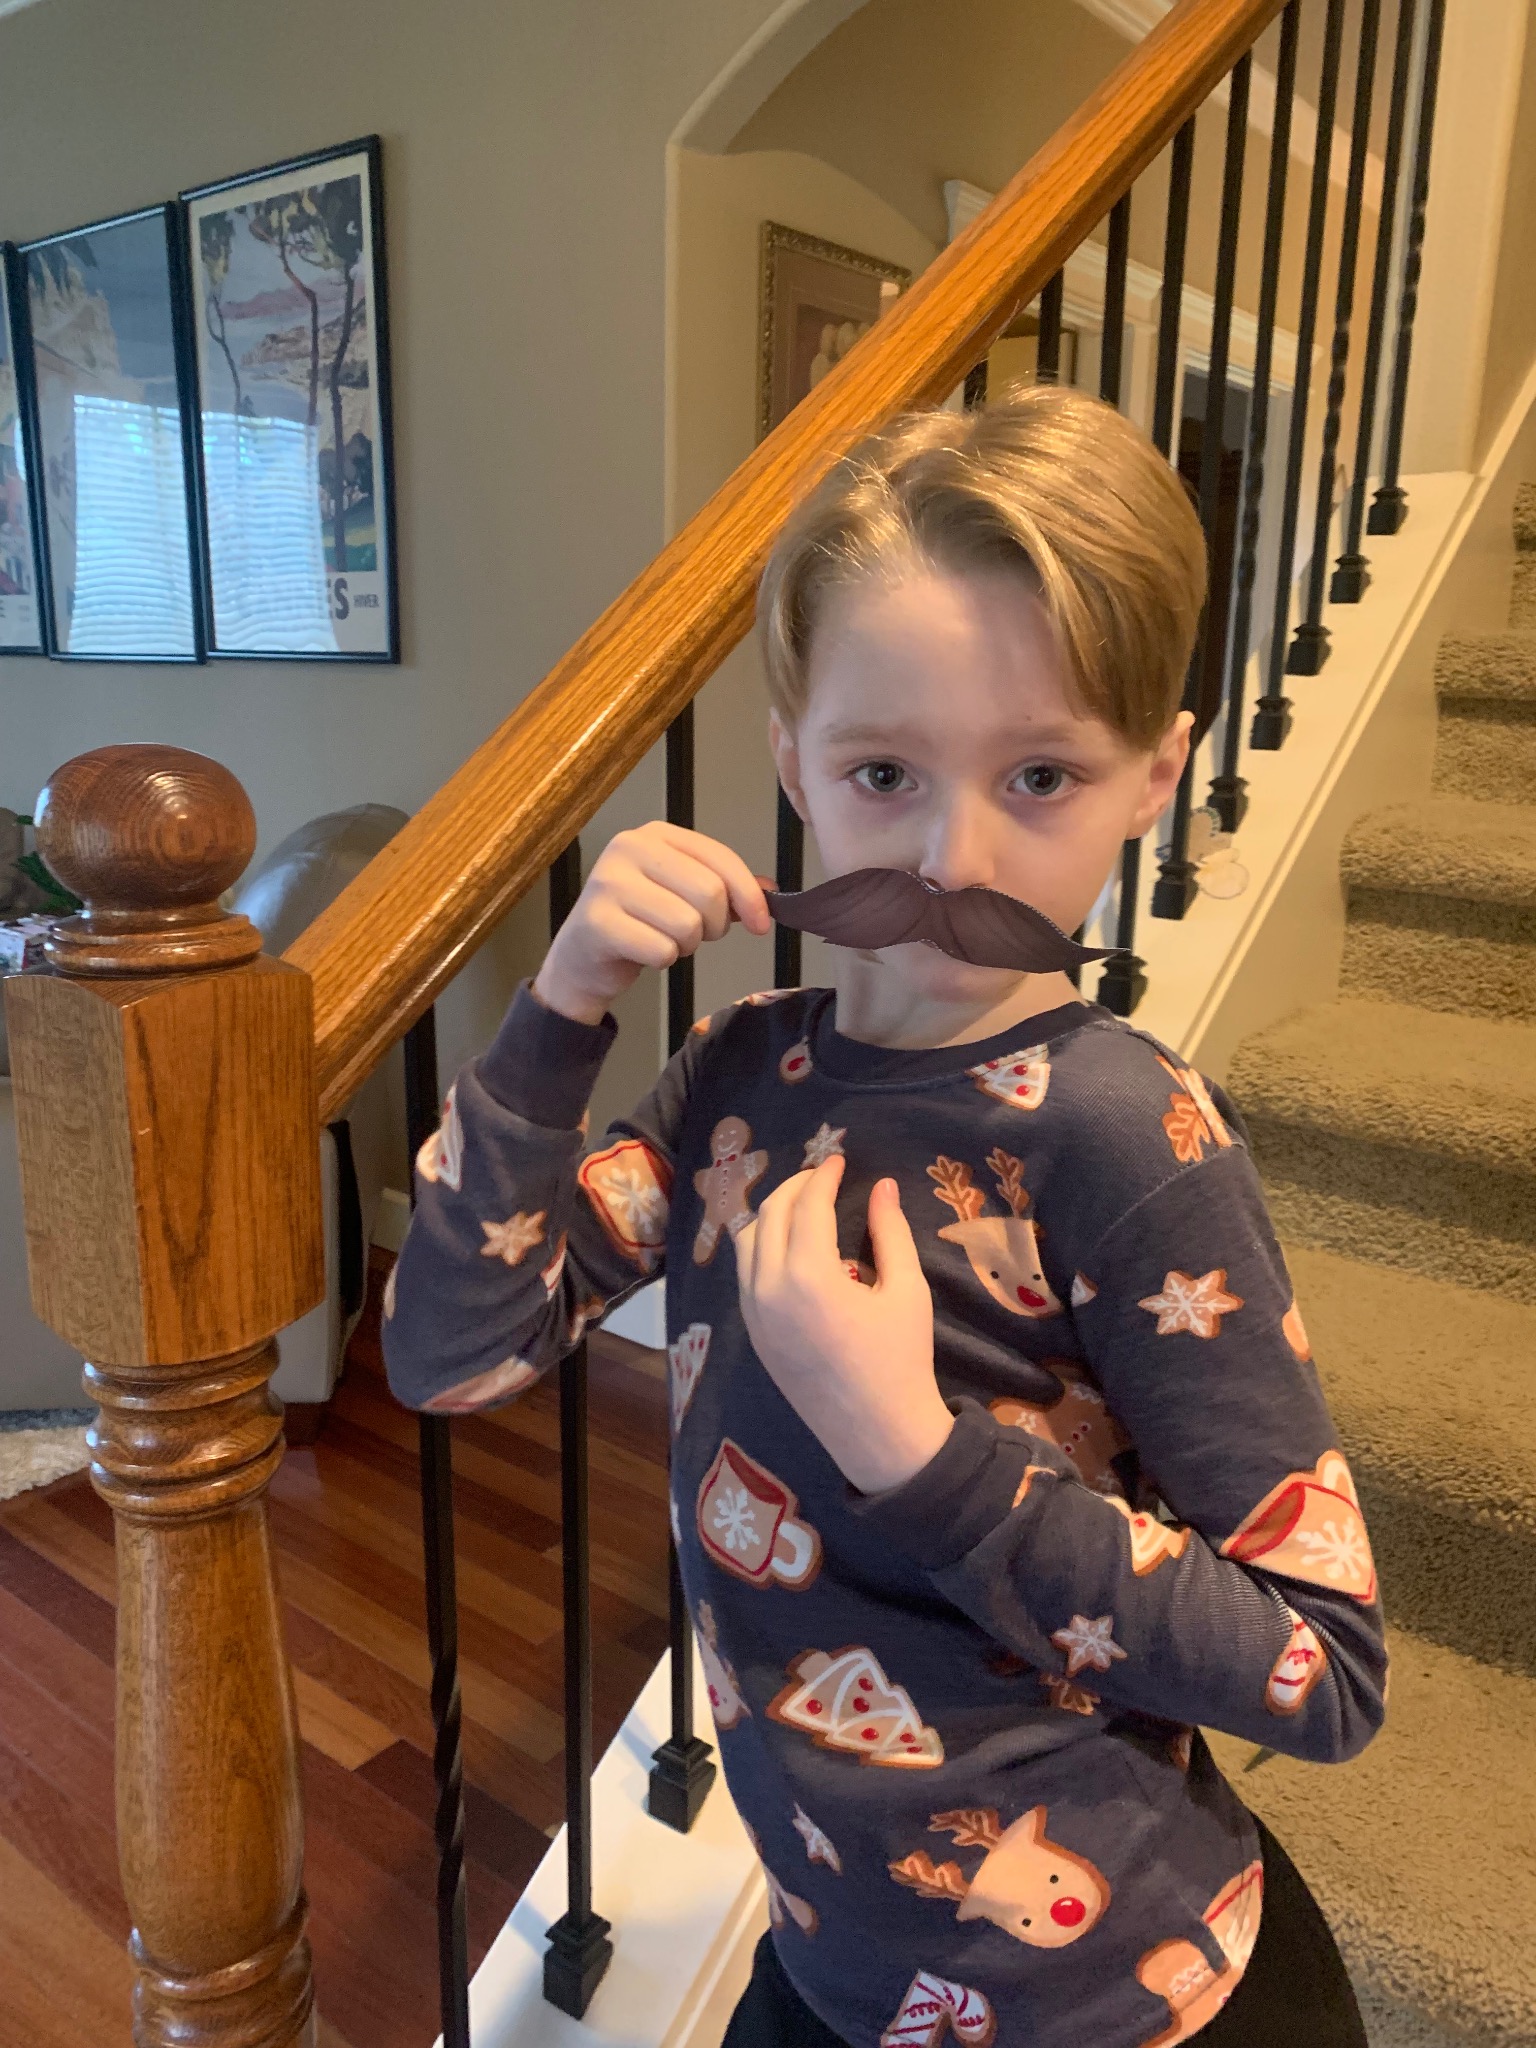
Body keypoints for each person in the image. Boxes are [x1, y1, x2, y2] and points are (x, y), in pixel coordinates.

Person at [382, 385, 1383, 2048]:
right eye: (883, 772)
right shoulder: (731, 1082)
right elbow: (450, 1356)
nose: (949, 858)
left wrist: (917, 1455)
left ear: (1155, 774)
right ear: (794, 762)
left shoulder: (1131, 1141)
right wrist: (560, 1011)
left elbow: (1323, 1666)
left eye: (1041, 773)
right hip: (836, 1973)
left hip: (1115, 1996)